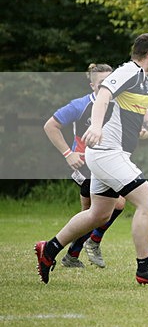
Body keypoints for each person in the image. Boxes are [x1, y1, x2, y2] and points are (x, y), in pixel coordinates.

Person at [35, 33, 148, 285]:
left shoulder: (142, 79)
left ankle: (49, 249)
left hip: (108, 155)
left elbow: (141, 109)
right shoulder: (129, 71)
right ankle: (144, 267)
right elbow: (103, 94)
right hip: (108, 153)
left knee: (99, 214)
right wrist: (97, 126)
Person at [42, 64, 126, 268]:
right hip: (84, 165)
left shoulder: (117, 105)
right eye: (101, 84)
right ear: (92, 86)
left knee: (98, 211)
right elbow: (50, 126)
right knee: (99, 211)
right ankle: (83, 246)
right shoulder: (80, 105)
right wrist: (68, 154)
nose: (106, 88)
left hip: (105, 163)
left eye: (110, 83)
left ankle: (74, 252)